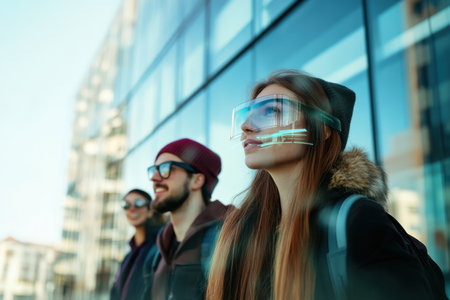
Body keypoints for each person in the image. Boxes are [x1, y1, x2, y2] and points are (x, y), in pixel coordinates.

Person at [206, 70, 447, 300]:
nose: (246, 126)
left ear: (322, 129)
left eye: (271, 112)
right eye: (249, 114)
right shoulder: (241, 233)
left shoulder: (356, 221)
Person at [143, 138, 233, 300]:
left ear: (197, 180)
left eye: (165, 169)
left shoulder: (229, 238)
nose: (154, 178)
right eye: (154, 170)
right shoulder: (157, 252)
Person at [110, 188, 166, 300]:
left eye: (139, 203)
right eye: (126, 204)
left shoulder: (161, 247)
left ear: (150, 211)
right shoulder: (128, 257)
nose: (132, 208)